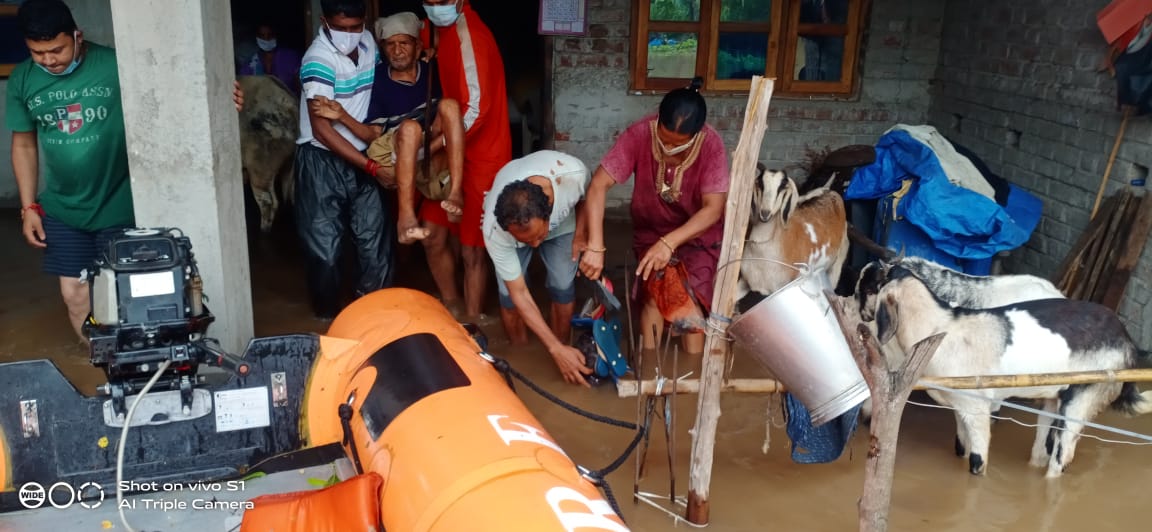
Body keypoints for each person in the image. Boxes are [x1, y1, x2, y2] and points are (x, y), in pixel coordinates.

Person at [7, 0, 244, 343]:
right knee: (75, 296)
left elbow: (178, 90)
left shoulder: (117, 64)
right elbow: (24, 145)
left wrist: (224, 94)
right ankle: (104, 371)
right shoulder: (22, 80)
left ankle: (138, 367)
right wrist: (29, 207)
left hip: (119, 203)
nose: (48, 60)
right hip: (63, 208)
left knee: (132, 293)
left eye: (56, 49)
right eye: (37, 53)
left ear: (78, 36)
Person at [579, 77, 730, 355]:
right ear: (658, 120)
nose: (668, 150)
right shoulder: (639, 134)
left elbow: (713, 209)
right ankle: (648, 369)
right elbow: (599, 185)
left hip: (698, 236)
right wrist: (596, 246)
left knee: (689, 305)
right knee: (654, 295)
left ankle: (692, 377)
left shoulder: (711, 146)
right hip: (650, 231)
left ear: (696, 136)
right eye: (663, 140)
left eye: (678, 146)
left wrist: (669, 243)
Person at [309, 12, 466, 248]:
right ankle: (406, 218)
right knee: (411, 128)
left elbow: (446, 44)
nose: (397, 50)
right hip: (394, 149)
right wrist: (342, 115)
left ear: (418, 46)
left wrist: (433, 144)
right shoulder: (380, 79)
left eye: (404, 43)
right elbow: (372, 133)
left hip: (427, 148)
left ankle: (455, 191)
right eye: (390, 45)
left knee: (450, 105)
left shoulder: (433, 70)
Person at [294, 0, 391, 319]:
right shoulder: (317, 60)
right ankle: (329, 322)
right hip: (322, 161)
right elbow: (322, 130)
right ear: (324, 21)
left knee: (375, 246)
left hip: (363, 153)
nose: (349, 34)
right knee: (326, 251)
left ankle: (375, 318)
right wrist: (373, 168)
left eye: (355, 27)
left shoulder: (368, 42)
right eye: (341, 28)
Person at [420, 0, 512, 322]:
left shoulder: (469, 35)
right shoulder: (437, 29)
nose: (435, 7)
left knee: (473, 248)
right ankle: (451, 307)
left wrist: (433, 146)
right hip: (450, 150)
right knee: (432, 234)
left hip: (482, 155)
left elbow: (477, 109)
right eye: (429, 2)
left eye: (441, 1)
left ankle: (473, 325)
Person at [483, 150, 594, 387]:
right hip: (508, 238)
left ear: (549, 211)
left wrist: (581, 234)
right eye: (527, 241)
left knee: (563, 288)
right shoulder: (495, 231)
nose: (535, 245)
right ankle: (521, 351)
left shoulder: (572, 176)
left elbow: (589, 196)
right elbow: (519, 293)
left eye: (538, 236)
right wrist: (552, 349)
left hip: (562, 227)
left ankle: (563, 347)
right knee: (508, 298)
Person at [239, 21, 303, 97]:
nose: (266, 39)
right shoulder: (250, 64)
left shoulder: (290, 57)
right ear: (257, 37)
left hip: (288, 105)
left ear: (276, 36)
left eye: (270, 35)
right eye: (262, 36)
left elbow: (300, 86)